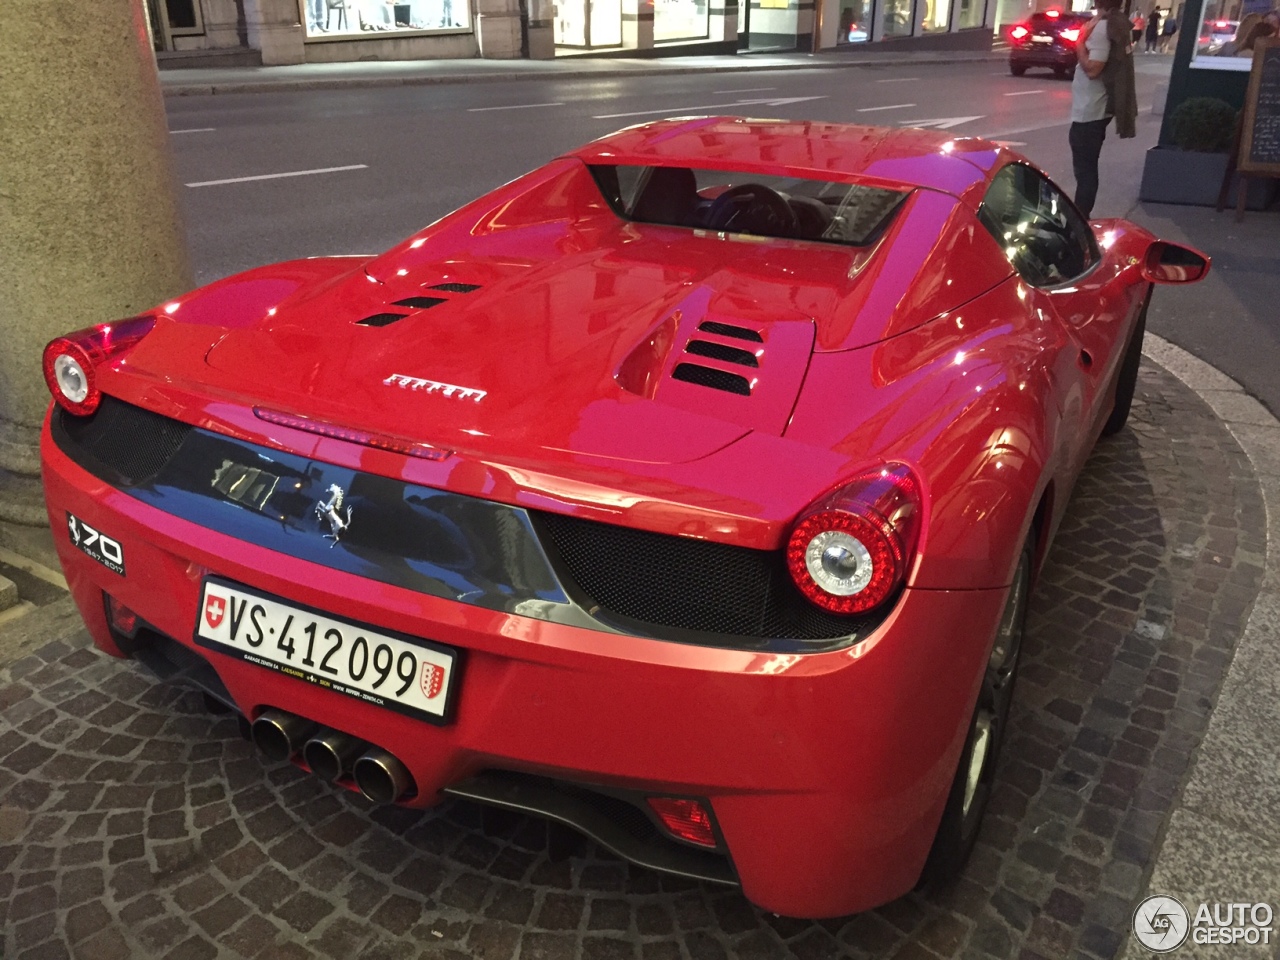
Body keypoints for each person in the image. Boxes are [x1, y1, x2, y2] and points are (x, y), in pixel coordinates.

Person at [1069, 0, 1135, 217]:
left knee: (1085, 171)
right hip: (1094, 108)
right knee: (1087, 168)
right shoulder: (1114, 23)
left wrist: (1079, 43)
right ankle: (1082, 216)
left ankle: (1081, 220)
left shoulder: (1102, 28)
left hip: (1090, 111)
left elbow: (1093, 69)